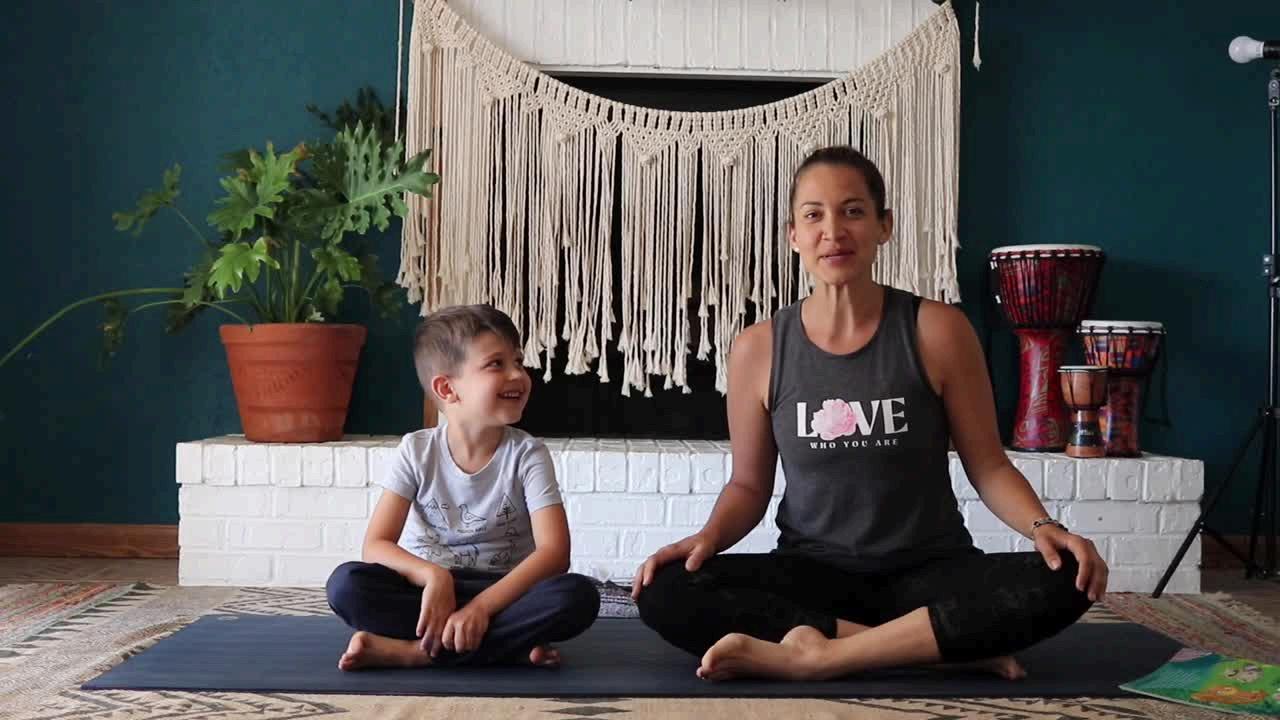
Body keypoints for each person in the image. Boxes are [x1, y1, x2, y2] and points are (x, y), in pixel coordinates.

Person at [631, 146, 1108, 682]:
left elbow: (989, 465)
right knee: (664, 589)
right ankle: (941, 647)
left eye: (853, 211)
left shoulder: (938, 330)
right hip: (813, 576)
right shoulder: (758, 349)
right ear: (793, 235)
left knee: (1069, 573)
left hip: (930, 573)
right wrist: (708, 538)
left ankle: (821, 656)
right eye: (814, 215)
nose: (833, 231)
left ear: (884, 226)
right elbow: (748, 485)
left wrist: (1044, 526)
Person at [326, 304, 599, 671]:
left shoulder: (528, 454)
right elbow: (376, 545)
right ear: (447, 388)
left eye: (518, 362)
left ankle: (415, 652)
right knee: (346, 585)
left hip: (502, 593)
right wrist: (434, 577)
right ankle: (506, 647)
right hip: (428, 594)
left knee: (577, 596)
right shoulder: (416, 451)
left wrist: (480, 608)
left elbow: (554, 554)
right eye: (496, 364)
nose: (518, 374)